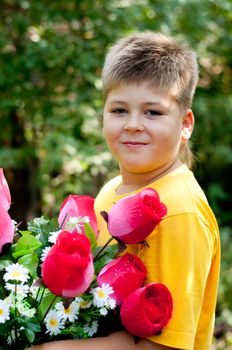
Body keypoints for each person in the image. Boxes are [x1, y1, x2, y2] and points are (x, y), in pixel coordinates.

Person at [30, 32, 220, 350]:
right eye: (119, 110)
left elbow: (162, 346)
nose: (132, 124)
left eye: (153, 112)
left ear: (186, 124)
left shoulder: (178, 211)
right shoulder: (112, 191)